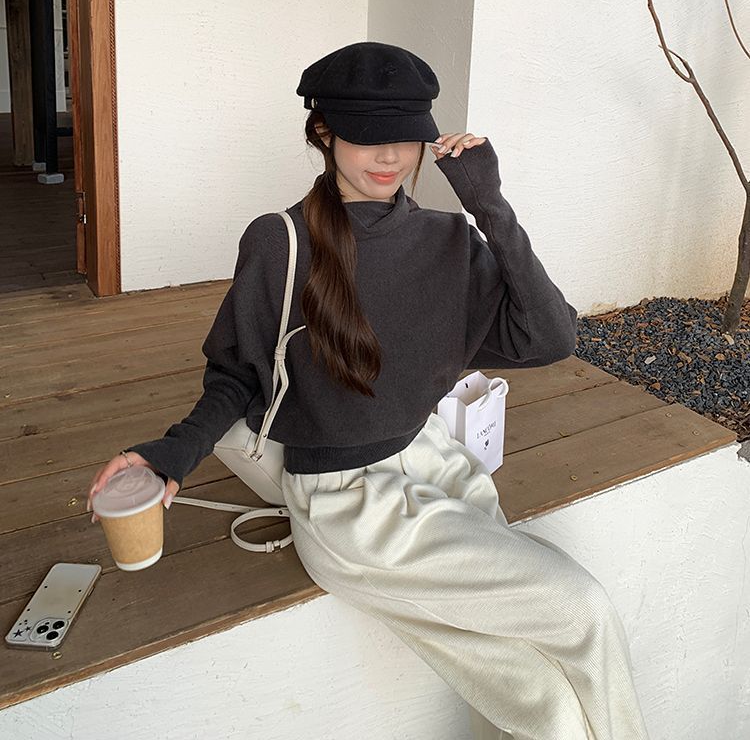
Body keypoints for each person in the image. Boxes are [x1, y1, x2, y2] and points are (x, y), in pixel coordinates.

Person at [86, 41, 650, 740]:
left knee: (544, 702)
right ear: (324, 132)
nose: (389, 156)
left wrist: (490, 205)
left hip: (436, 464)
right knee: (582, 609)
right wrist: (172, 454)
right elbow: (237, 374)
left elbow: (551, 338)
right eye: (366, 136)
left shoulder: (448, 239)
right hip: (348, 508)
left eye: (406, 137)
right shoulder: (281, 243)